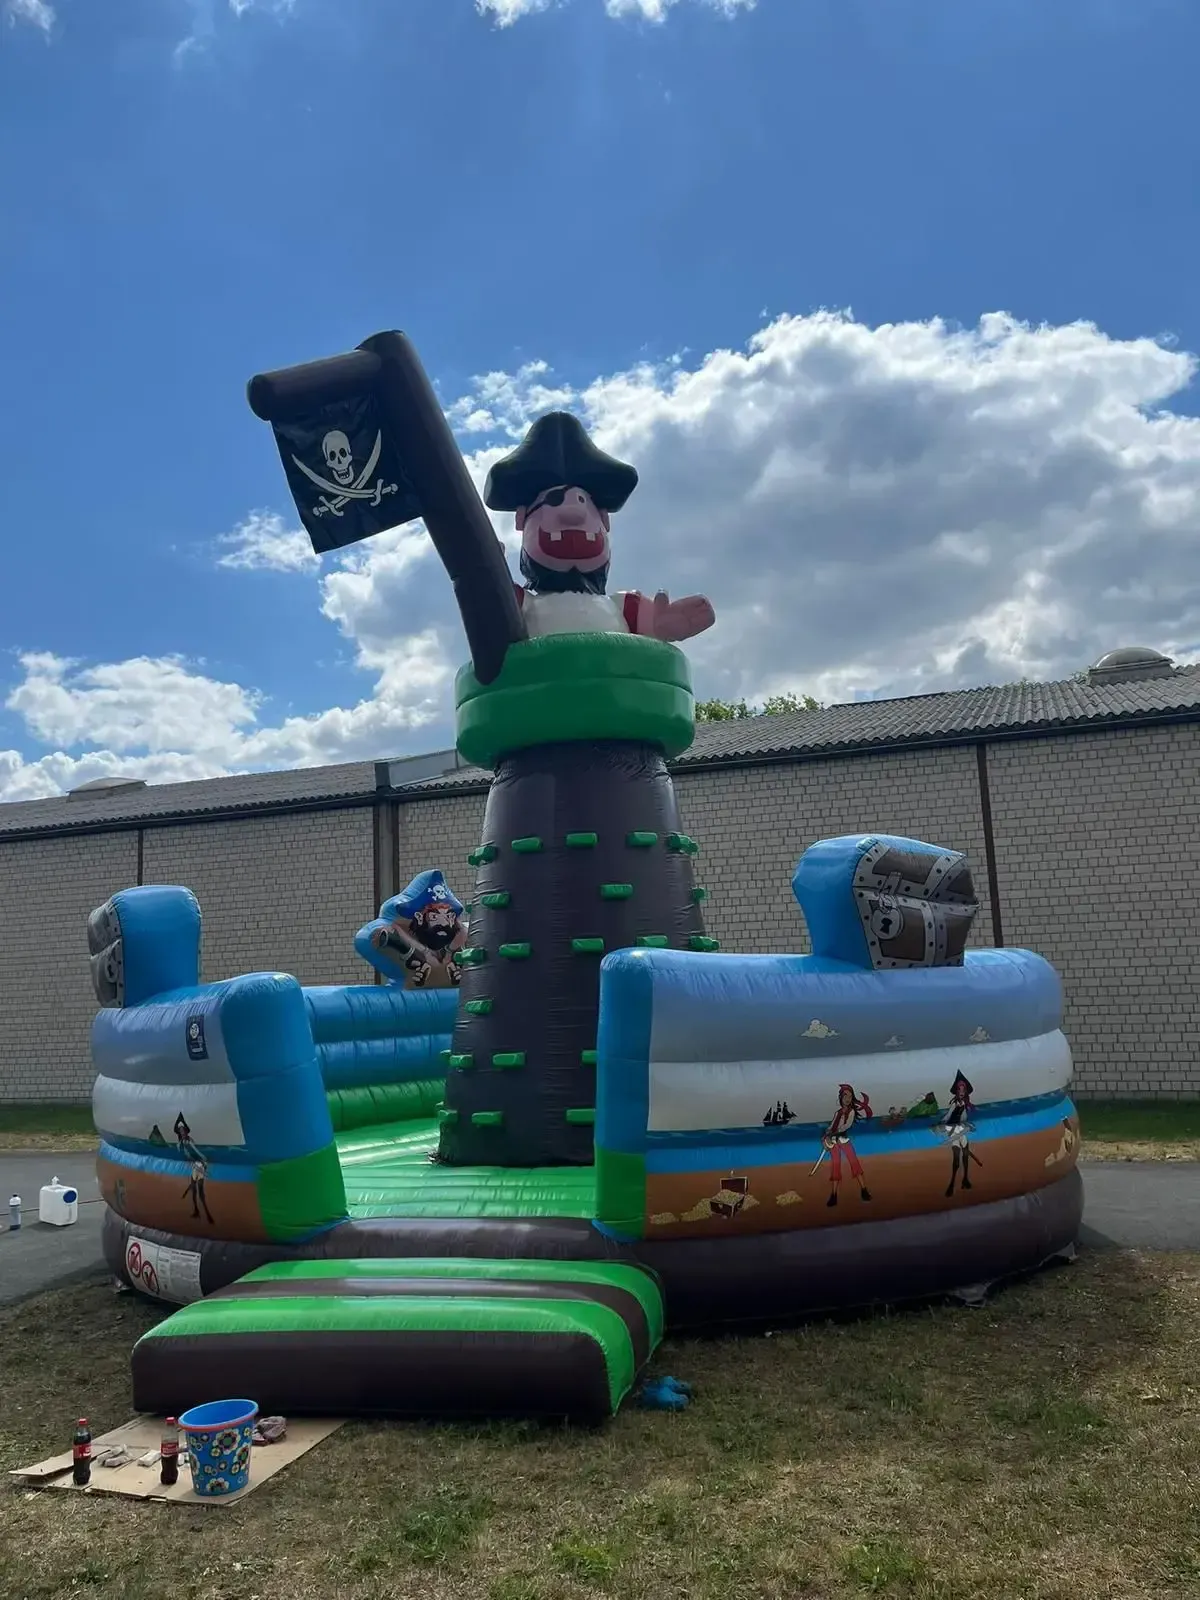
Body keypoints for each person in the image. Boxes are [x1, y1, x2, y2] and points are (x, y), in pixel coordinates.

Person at [821, 1084, 873, 1206]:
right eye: (845, 1096)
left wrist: (834, 1133)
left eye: (850, 1096)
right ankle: (834, 1195)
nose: (847, 1099)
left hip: (843, 1140)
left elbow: (847, 1126)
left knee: (855, 1164)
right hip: (834, 1142)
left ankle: (864, 1190)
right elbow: (831, 1125)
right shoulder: (837, 1113)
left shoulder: (851, 1112)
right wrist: (827, 1134)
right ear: (841, 1098)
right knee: (836, 1167)